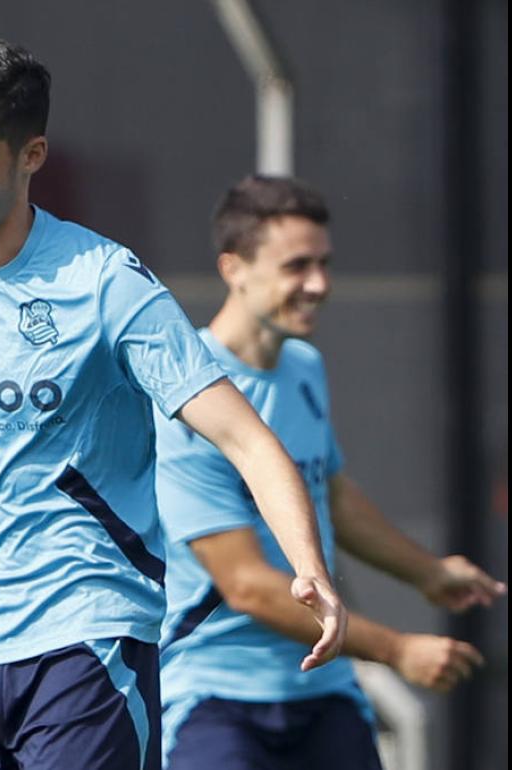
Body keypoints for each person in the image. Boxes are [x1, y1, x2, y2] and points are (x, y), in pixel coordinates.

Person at [0, 41, 348, 770]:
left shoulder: (104, 281)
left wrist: (308, 563)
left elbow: (249, 439)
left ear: (32, 155)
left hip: (84, 637)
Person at [152, 174, 507, 769]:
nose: (319, 284)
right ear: (233, 268)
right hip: (215, 697)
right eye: (296, 266)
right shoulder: (189, 395)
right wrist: (397, 649)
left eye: (324, 263)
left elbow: (333, 494)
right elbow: (244, 584)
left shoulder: (304, 365)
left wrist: (428, 571)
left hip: (324, 693)